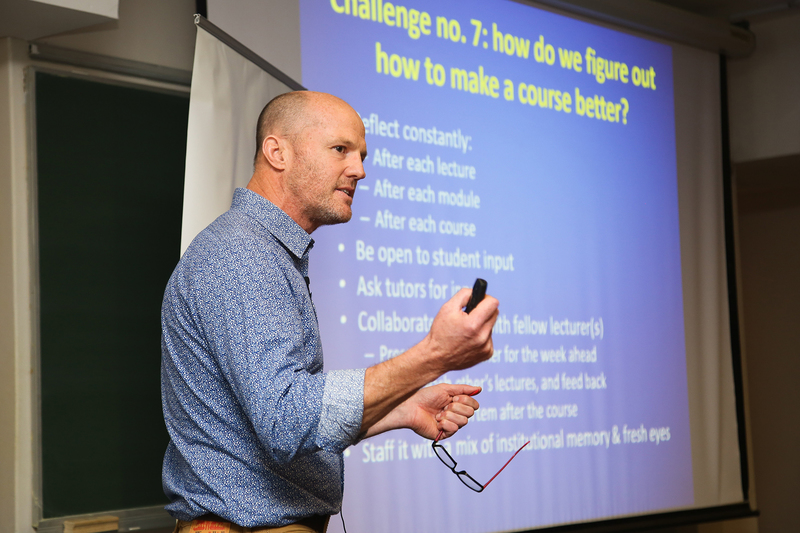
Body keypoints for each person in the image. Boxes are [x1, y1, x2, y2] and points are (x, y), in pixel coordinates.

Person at [160, 91, 499, 532]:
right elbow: (287, 421)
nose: (360, 169)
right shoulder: (241, 255)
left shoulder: (266, 252)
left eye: (361, 154)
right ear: (277, 152)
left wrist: (402, 409)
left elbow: (276, 421)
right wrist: (435, 354)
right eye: (341, 149)